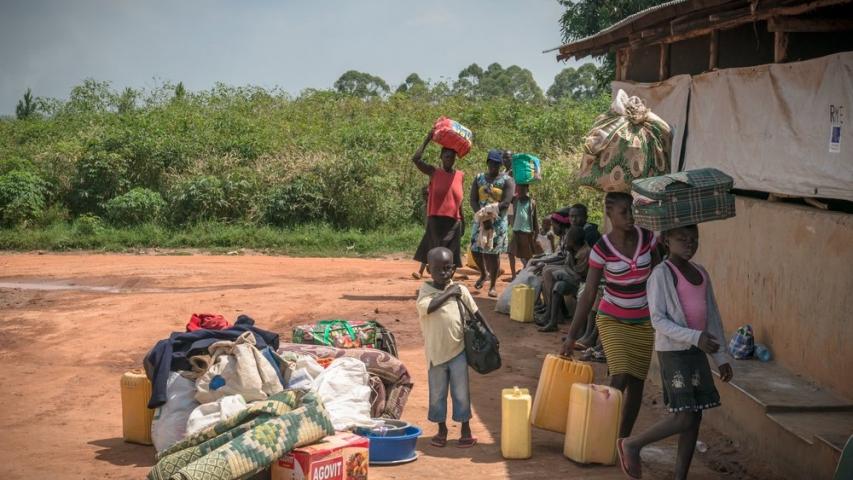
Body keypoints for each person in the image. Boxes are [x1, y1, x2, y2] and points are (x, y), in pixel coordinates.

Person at [617, 224, 733, 480]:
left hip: (697, 351)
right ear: (666, 240)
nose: (690, 243)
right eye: (682, 238)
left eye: (695, 239)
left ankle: (680, 476)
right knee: (684, 418)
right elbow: (658, 319)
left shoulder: (701, 273)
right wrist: (695, 336)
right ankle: (632, 444)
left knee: (696, 416)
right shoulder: (661, 274)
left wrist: (721, 356)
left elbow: (712, 316)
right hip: (673, 352)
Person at [561, 191, 661, 439]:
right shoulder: (601, 249)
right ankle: (599, 436)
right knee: (620, 376)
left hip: (643, 322)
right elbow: (589, 294)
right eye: (623, 212)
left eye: (632, 211)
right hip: (612, 319)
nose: (630, 216)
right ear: (610, 214)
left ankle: (621, 441)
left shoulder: (647, 239)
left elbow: (661, 276)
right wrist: (572, 336)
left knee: (637, 384)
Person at [416, 247, 478, 448]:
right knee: (438, 394)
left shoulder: (461, 290)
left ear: (453, 269)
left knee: (461, 393)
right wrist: (449, 292)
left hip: (458, 350)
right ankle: (441, 429)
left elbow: (474, 313)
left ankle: (465, 429)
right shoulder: (425, 292)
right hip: (436, 355)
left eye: (447, 269)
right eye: (437, 269)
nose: (443, 273)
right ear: (429, 271)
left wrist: (489, 333)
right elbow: (429, 306)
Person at [413, 129, 465, 269]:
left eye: (452, 157)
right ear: (441, 157)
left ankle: (447, 283)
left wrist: (463, 220)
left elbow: (459, 200)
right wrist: (427, 140)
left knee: (451, 257)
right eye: (447, 156)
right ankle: (435, 282)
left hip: (454, 222)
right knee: (435, 255)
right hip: (436, 220)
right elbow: (416, 159)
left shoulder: (460, 175)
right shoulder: (434, 172)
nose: (450, 159)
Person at [470, 149, 515, 297]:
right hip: (481, 220)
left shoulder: (507, 180)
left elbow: (506, 202)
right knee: (476, 250)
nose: (493, 166)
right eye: (491, 163)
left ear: (501, 164)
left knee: (493, 254)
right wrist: (483, 217)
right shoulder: (478, 178)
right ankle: (483, 273)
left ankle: (493, 286)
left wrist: (491, 214)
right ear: (487, 163)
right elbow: (473, 200)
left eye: (497, 164)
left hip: (498, 222)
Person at [537, 226, 590, 332]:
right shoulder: (572, 251)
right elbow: (568, 267)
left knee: (557, 276)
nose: (565, 241)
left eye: (567, 239)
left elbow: (578, 275)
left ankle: (553, 316)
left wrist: (564, 274)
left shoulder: (585, 252)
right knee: (558, 286)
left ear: (574, 241)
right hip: (574, 280)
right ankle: (553, 321)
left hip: (583, 284)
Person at [507, 183, 540, 278]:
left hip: (527, 233)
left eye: (523, 189)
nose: (520, 191)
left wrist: (536, 234)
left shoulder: (532, 203)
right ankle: (513, 276)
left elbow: (535, 220)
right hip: (516, 232)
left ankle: (530, 275)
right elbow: (506, 199)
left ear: (527, 190)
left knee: (528, 257)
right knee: (510, 252)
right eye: (519, 189)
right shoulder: (515, 201)